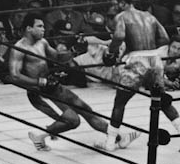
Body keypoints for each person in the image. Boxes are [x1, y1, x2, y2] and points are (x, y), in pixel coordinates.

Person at [8, 12, 113, 152]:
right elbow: (14, 76)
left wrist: (75, 51)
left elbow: (57, 57)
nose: (43, 29)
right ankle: (41, 135)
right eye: (39, 26)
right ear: (28, 28)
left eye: (44, 26)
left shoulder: (42, 43)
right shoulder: (19, 48)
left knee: (85, 109)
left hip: (51, 85)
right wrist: (40, 82)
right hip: (37, 90)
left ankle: (116, 136)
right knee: (73, 120)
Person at [104, 0, 169, 152]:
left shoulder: (122, 16)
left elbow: (118, 36)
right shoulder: (149, 16)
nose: (113, 9)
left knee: (120, 102)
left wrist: (111, 52)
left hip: (137, 60)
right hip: (155, 60)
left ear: (122, 3)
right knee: (159, 99)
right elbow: (165, 38)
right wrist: (149, 46)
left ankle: (110, 143)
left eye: (114, 4)